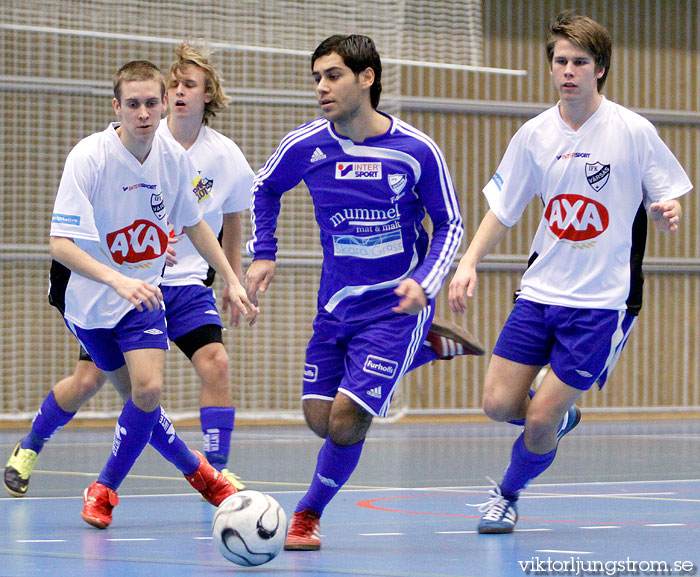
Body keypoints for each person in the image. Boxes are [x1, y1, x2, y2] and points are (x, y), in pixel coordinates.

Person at [448, 11, 692, 534]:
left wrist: (667, 208)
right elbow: (503, 208)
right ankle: (562, 416)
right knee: (496, 404)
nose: (568, 71)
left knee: (537, 423)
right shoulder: (535, 134)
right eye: (560, 61)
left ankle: (507, 493)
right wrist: (468, 262)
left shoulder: (632, 130)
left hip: (602, 304)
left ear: (600, 68)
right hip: (538, 294)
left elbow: (666, 188)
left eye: (580, 61)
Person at [8, 59, 257, 529]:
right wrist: (116, 278)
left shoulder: (173, 160)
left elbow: (193, 222)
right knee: (131, 399)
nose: (143, 113)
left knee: (148, 390)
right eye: (133, 104)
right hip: (86, 299)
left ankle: (103, 489)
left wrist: (230, 276)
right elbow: (59, 245)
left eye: (150, 103)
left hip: (142, 294)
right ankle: (200, 471)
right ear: (117, 107)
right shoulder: (90, 157)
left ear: (162, 104)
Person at [245, 34, 465, 551]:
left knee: (346, 423)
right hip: (336, 306)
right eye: (317, 77)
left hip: (395, 307)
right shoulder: (306, 145)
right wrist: (264, 252)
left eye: (333, 75)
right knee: (319, 421)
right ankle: (430, 348)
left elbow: (449, 222)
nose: (321, 86)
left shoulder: (415, 150)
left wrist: (426, 283)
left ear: (367, 78)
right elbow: (264, 187)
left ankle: (307, 514)